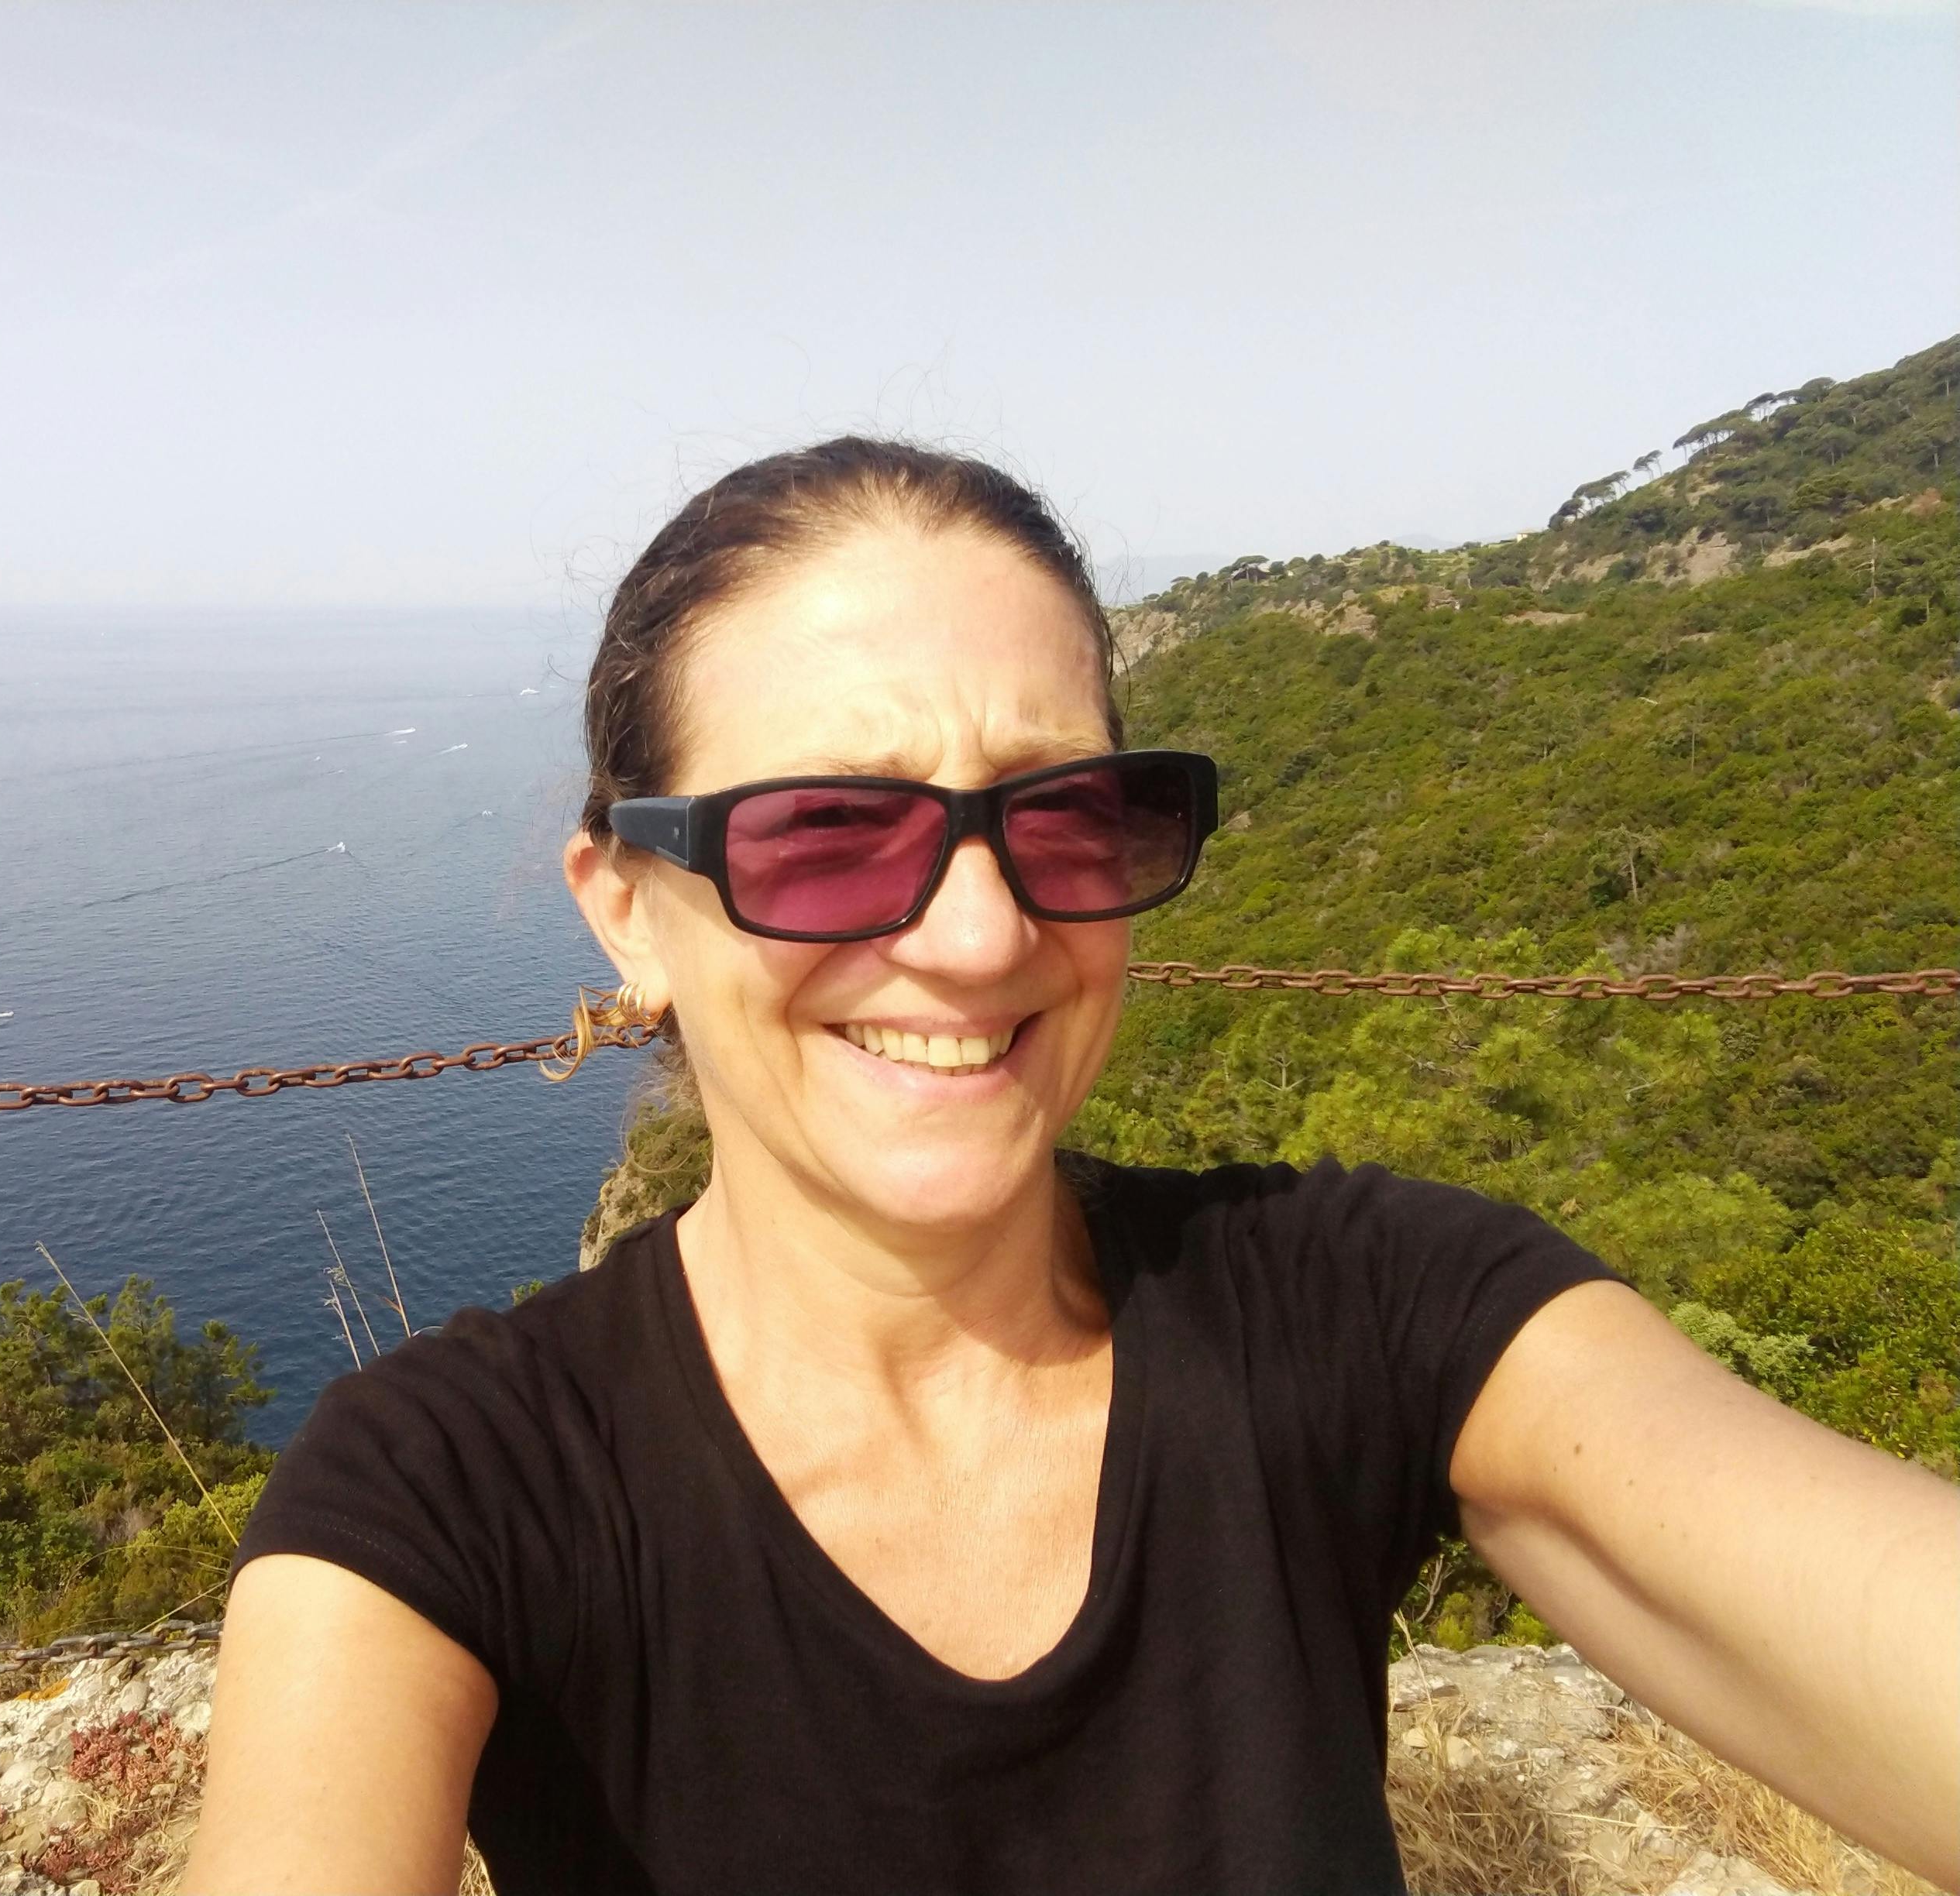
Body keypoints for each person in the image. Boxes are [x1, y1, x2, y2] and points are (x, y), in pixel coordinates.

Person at [181, 440, 1958, 1895]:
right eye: (825, 830)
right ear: (629, 908)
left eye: (1064, 815)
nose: (977, 937)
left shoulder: (1370, 1311)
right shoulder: (452, 1495)